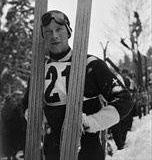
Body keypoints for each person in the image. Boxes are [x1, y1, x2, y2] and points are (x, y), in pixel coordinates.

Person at [22, 10, 133, 160]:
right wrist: (37, 116)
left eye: (59, 29)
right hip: (52, 151)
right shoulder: (39, 71)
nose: (54, 36)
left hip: (87, 151)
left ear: (68, 32)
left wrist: (91, 122)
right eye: (48, 32)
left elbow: (124, 100)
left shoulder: (91, 65)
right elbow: (26, 104)